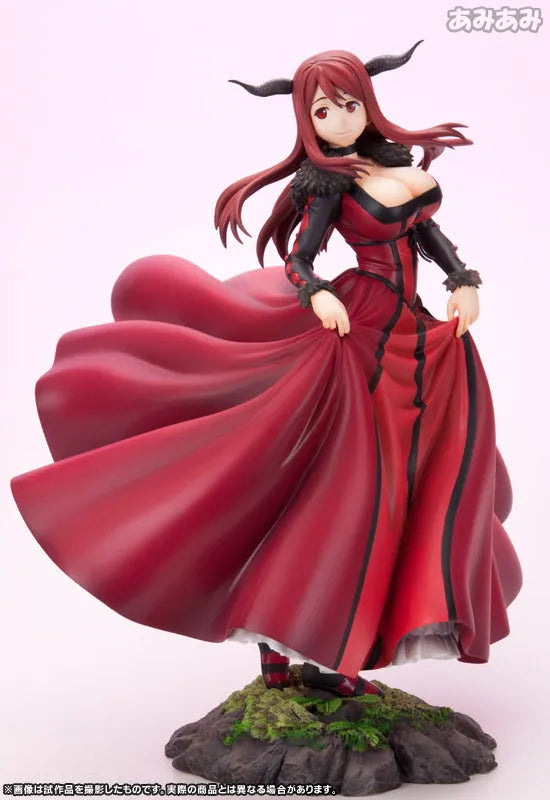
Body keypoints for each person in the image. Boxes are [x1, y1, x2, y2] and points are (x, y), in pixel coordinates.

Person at [10, 44, 522, 700]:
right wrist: (320, 294)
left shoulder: (394, 165)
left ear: (368, 102)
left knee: (419, 480)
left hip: (419, 334)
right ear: (306, 119)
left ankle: (351, 640)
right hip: (358, 333)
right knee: (343, 494)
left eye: (349, 104)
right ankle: (292, 645)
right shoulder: (327, 183)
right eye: (323, 111)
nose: (339, 119)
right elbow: (301, 260)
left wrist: (462, 279)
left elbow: (427, 234)